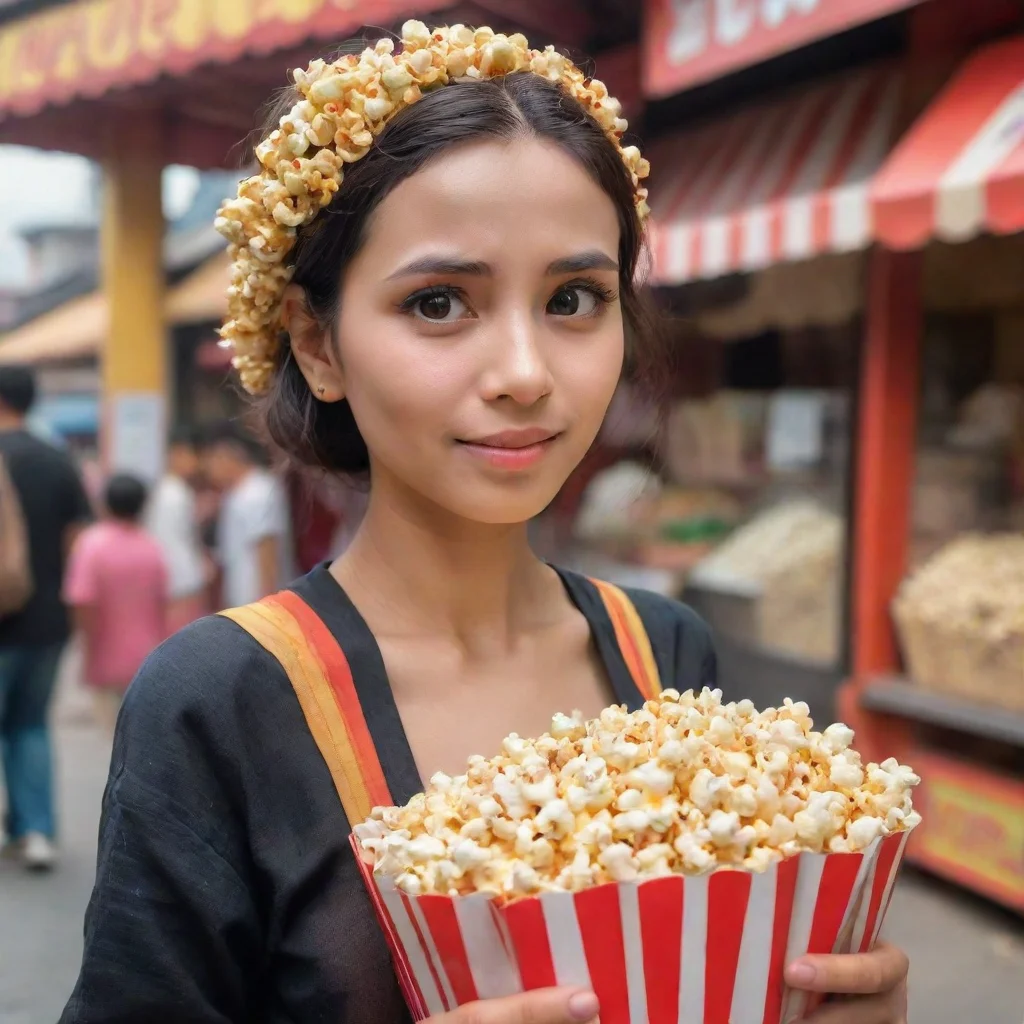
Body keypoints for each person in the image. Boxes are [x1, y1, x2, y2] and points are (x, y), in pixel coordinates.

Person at [62, 24, 910, 1024]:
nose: (524, 373)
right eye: (438, 303)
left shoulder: (662, 654)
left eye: (573, 298)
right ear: (317, 343)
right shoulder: (222, 702)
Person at [0, 364, 92, 871]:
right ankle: (35, 832)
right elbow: (76, 545)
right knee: (31, 724)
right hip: (46, 620)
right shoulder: (57, 461)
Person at [64, 474, 168, 734]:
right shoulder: (151, 546)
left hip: (104, 655)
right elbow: (162, 601)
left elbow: (82, 599)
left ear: (105, 503)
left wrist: (86, 644)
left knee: (111, 737)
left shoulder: (92, 544)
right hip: (146, 656)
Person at [199, 419, 294, 607]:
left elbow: (267, 548)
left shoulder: (258, 492)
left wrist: (267, 604)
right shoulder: (235, 493)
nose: (207, 469)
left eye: (210, 460)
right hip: (242, 601)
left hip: (259, 603)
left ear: (226, 457)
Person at [144, 427, 209, 632]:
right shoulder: (175, 494)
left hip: (176, 581)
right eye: (193, 456)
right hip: (182, 583)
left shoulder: (168, 490)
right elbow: (173, 543)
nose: (197, 464)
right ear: (177, 454)